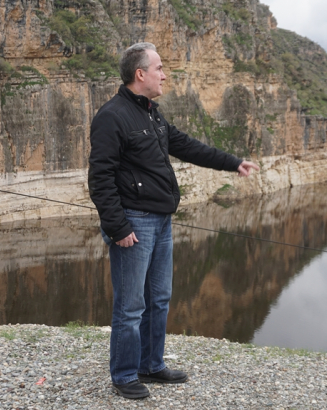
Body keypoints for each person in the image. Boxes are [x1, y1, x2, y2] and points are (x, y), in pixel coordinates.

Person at [88, 42, 260, 400]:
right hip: (134, 223)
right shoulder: (112, 116)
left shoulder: (152, 112)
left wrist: (232, 162)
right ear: (141, 74)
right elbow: (100, 179)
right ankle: (123, 374)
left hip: (161, 221)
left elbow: (185, 145)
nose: (165, 75)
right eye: (159, 68)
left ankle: (150, 365)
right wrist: (118, 228)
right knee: (131, 306)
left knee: (159, 298)